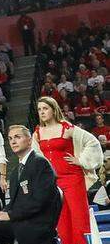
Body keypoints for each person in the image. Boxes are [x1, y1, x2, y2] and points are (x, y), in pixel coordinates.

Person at [32, 96, 102, 244]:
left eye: (45, 108)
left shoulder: (66, 127)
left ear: (54, 109)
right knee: (61, 220)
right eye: (39, 109)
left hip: (72, 178)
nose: (42, 112)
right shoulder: (38, 132)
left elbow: (93, 142)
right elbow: (35, 156)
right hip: (53, 182)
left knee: (79, 218)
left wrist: (81, 160)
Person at [0, 125, 63, 244]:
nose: (13, 141)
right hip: (21, 222)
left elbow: (39, 202)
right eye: (10, 138)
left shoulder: (40, 163)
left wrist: (10, 215)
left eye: (17, 137)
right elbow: (13, 203)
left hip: (36, 224)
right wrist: (1, 213)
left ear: (29, 140)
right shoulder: (15, 172)